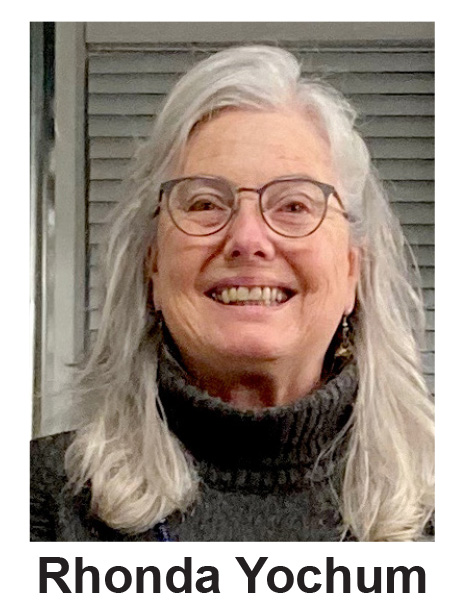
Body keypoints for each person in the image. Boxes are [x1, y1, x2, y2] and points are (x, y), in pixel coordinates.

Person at [30, 45, 434, 542]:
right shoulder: (37, 504)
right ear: (152, 264)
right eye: (205, 203)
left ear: (353, 270)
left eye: (293, 205)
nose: (247, 239)